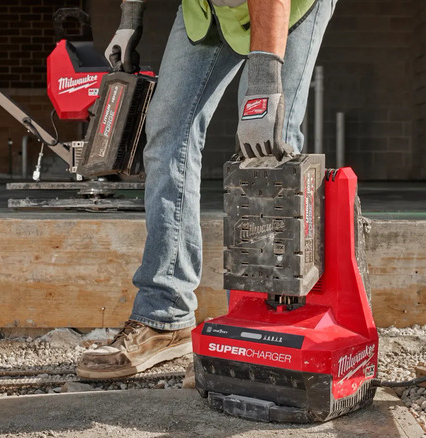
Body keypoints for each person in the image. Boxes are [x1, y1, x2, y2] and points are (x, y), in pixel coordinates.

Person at [77, 0, 337, 379]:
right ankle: (165, 316)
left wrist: (265, 85)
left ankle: (272, 327)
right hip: (208, 8)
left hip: (288, 7)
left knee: (267, 144)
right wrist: (131, 18)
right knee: (166, 133)